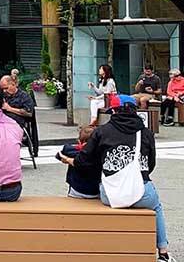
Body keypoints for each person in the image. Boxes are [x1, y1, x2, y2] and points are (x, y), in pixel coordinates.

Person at [59, 98, 171, 261]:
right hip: (142, 193)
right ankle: (163, 252)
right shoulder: (146, 133)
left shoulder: (102, 131)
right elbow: (151, 164)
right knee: (157, 207)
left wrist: (69, 160)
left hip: (111, 195)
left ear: (113, 111)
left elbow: (84, 160)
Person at [57, 126, 100, 199]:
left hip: (76, 189)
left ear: (79, 141)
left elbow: (59, 155)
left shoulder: (71, 151)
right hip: (96, 190)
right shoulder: (99, 153)